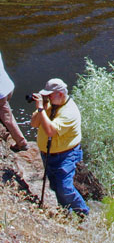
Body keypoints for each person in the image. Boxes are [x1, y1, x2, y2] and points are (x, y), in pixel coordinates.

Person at [31, 78, 89, 216]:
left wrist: (40, 109)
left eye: (50, 95)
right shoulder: (51, 104)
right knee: (55, 187)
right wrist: (42, 108)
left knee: (65, 188)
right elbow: (34, 123)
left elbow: (50, 131)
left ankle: (83, 213)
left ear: (61, 94)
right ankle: (66, 212)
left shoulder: (69, 112)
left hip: (66, 156)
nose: (47, 98)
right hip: (48, 154)